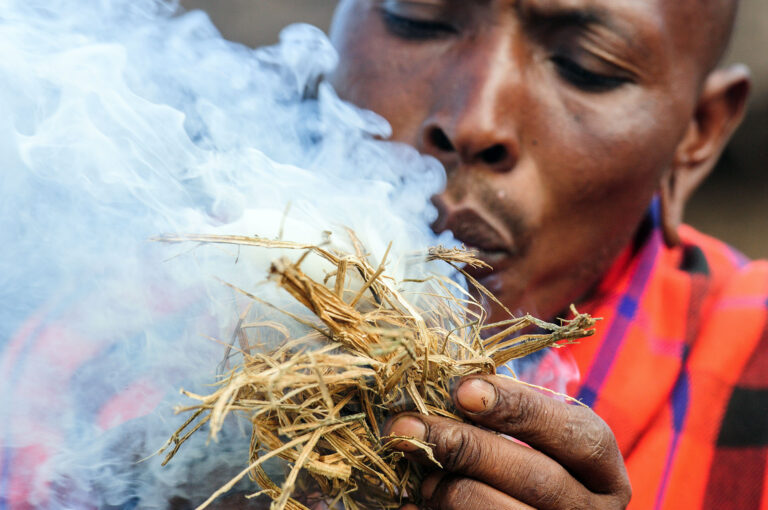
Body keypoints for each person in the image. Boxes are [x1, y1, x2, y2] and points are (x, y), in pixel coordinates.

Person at [325, 0, 768, 508]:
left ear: (697, 135)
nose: (475, 122)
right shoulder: (218, 289)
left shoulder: (754, 364)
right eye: (418, 17)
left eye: (586, 65)